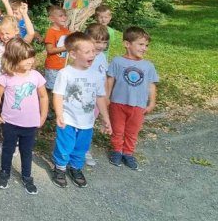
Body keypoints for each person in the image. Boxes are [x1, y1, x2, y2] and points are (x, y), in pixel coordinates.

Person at [51, 32, 113, 189]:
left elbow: (100, 98)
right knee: (65, 146)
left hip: (87, 121)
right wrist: (59, 114)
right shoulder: (65, 74)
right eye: (87, 52)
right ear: (73, 54)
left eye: (93, 51)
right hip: (68, 119)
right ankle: (60, 168)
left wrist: (105, 117)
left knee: (81, 147)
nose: (92, 54)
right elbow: (58, 95)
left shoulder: (97, 75)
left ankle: (76, 168)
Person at [0, 38, 48, 195]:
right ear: (14, 59)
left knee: (27, 151)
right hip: (10, 122)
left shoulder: (36, 76)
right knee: (8, 149)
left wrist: (43, 116)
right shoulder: (5, 77)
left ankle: (27, 176)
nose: (31, 61)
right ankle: (5, 172)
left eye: (31, 57)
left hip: (30, 124)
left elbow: (43, 97)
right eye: (26, 58)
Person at [107, 26, 158, 170]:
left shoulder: (148, 66)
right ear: (127, 44)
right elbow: (110, 80)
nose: (144, 48)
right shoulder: (117, 61)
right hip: (118, 103)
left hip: (138, 105)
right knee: (117, 129)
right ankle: (117, 150)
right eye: (141, 44)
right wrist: (106, 97)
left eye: (146, 45)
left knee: (132, 131)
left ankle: (128, 153)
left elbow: (151, 85)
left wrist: (152, 102)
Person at [0, 14, 35, 154]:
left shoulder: (18, 46)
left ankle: (14, 141)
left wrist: (25, 14)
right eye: (1, 33)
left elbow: (31, 33)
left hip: (14, 85)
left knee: (14, 111)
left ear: (16, 31)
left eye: (7, 33)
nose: (4, 36)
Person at [84, 22, 110, 166]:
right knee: (76, 125)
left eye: (104, 42)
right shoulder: (83, 56)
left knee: (89, 125)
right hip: (83, 99)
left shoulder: (102, 57)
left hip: (97, 100)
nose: (101, 45)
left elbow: (104, 76)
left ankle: (84, 149)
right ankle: (71, 150)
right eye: (97, 41)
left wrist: (106, 95)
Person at [43, 5, 72, 96]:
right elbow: (50, 50)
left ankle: (56, 106)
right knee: (51, 88)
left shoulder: (66, 31)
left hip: (63, 66)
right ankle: (48, 105)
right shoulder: (51, 32)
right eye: (60, 16)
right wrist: (65, 48)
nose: (64, 17)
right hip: (52, 66)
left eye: (65, 15)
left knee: (60, 88)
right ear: (52, 19)